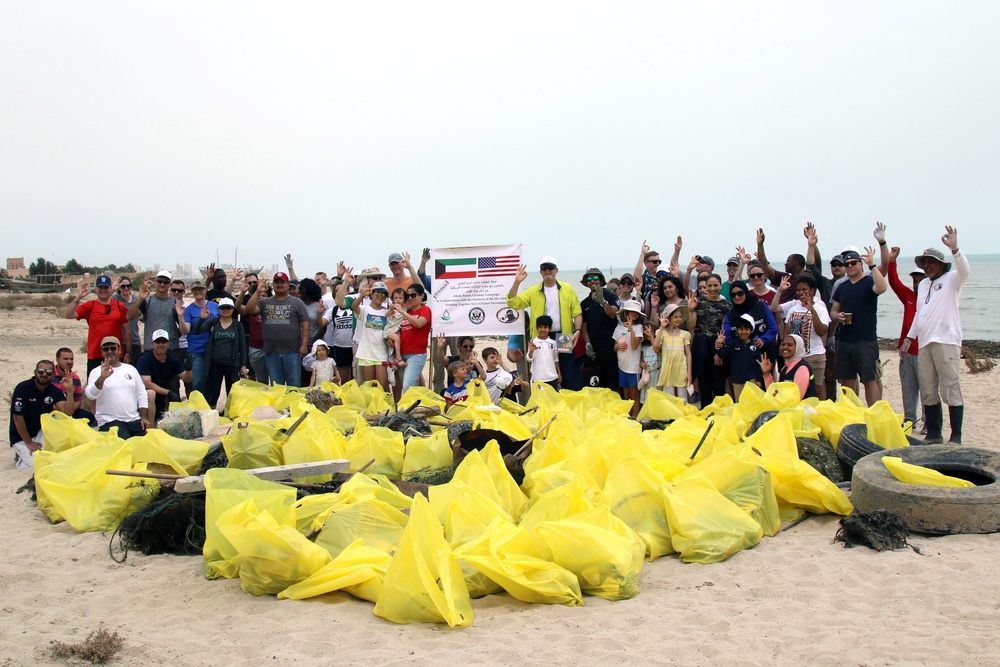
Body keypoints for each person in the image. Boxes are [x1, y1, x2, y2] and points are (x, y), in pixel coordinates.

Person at [903, 227, 969, 444]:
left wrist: (955, 248)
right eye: (924, 262)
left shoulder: (952, 279)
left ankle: (956, 436)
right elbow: (920, 314)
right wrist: (909, 338)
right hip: (924, 343)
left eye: (931, 262)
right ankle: (934, 434)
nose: (927, 266)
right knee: (929, 388)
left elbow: (965, 270)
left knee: (950, 386)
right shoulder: (922, 285)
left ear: (941, 264)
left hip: (946, 340)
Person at [506, 257, 583, 390]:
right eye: (544, 268)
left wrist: (577, 331)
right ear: (540, 272)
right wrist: (516, 282)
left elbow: (577, 313)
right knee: (542, 374)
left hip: (564, 336)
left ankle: (566, 405)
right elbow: (513, 302)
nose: (547, 271)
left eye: (550, 268)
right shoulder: (533, 291)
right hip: (541, 338)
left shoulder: (568, 289)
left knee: (567, 373)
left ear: (556, 270)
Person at [831, 245, 887, 405]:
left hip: (865, 340)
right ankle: (851, 414)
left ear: (860, 264)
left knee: (869, 380)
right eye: (846, 264)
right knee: (846, 382)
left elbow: (882, 288)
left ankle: (874, 414)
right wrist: (838, 316)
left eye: (853, 263)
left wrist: (873, 265)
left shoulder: (869, 281)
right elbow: (833, 312)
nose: (849, 266)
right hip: (844, 340)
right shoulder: (842, 286)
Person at [769, 273, 830, 398]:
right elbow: (787, 331)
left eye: (805, 290)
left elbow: (821, 331)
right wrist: (780, 290)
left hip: (814, 355)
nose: (801, 293)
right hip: (794, 356)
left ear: (812, 291)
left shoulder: (820, 309)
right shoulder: (793, 307)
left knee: (816, 388)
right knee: (794, 389)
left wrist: (812, 309)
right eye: (798, 290)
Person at [244, 271, 310, 386]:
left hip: (292, 351)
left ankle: (292, 404)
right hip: (271, 352)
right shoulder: (264, 302)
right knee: (276, 387)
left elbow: (305, 325)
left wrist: (304, 345)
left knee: (293, 385)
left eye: (282, 282)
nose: (279, 285)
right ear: (273, 285)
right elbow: (249, 309)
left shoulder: (297, 303)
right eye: (277, 282)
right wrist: (258, 291)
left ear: (288, 285)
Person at [887, 246, 925, 429]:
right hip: (907, 352)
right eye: (915, 281)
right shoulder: (909, 297)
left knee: (927, 388)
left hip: (925, 351)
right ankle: (910, 419)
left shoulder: (933, 298)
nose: (916, 284)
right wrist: (892, 261)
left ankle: (928, 421)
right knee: (908, 388)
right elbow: (894, 283)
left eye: (920, 280)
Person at [63, 275, 132, 376]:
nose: (103, 290)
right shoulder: (89, 306)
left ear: (110, 289)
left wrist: (128, 351)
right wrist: (79, 297)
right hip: (95, 354)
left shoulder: (119, 306)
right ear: (96, 289)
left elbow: (127, 330)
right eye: (100, 288)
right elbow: (68, 315)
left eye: (106, 288)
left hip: (115, 353)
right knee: (95, 386)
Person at [9, 359, 72, 467]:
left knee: (59, 419)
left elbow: (67, 412)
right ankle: (20, 456)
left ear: (52, 375)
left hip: (40, 432)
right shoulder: (23, 388)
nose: (44, 375)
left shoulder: (53, 390)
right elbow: (17, 418)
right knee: (35, 464)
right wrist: (29, 442)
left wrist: (70, 390)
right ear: (35, 372)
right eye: (41, 371)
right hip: (21, 436)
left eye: (48, 373)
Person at [85, 336, 151, 437]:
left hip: (133, 419)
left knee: (146, 445)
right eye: (106, 349)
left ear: (119, 350)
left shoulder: (130, 369)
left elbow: (141, 394)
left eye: (113, 348)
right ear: (102, 352)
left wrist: (144, 417)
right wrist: (101, 378)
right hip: (110, 421)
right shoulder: (96, 372)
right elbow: (91, 395)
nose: (109, 351)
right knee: (126, 444)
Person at [192, 298, 248, 408]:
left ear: (233, 309)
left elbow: (242, 346)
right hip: (215, 362)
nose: (225, 310)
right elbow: (197, 331)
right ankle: (212, 411)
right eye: (222, 307)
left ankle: (229, 413)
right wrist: (201, 319)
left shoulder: (237, 325)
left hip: (231, 363)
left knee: (231, 390)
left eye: (228, 307)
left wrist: (243, 365)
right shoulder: (213, 323)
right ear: (219, 309)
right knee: (214, 390)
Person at [687, 273, 731, 407]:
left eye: (715, 285)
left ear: (720, 286)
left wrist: (721, 352)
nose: (712, 288)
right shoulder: (698, 302)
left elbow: (726, 330)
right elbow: (691, 326)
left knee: (718, 381)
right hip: (701, 345)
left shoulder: (726, 306)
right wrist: (690, 310)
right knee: (703, 381)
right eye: (709, 286)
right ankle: (705, 410)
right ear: (705, 287)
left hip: (717, 345)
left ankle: (719, 412)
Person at [127, 270, 190, 361]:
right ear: (155, 282)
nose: (162, 284)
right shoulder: (147, 301)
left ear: (170, 284)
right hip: (151, 349)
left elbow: (184, 331)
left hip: (171, 350)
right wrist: (140, 299)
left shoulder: (175, 303)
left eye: (166, 282)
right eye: (160, 281)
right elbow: (130, 316)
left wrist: (180, 318)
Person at [579, 268, 622, 390]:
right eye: (589, 279)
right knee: (594, 383)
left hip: (610, 347)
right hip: (593, 349)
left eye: (596, 278)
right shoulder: (584, 303)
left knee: (613, 383)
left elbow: (613, 314)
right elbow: (584, 326)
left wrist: (603, 302)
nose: (593, 281)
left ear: (601, 280)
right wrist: (587, 343)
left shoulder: (611, 296)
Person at [136, 329, 187, 421]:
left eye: (163, 341)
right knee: (150, 393)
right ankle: (150, 428)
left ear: (168, 344)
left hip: (162, 399)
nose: (161, 344)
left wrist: (189, 370)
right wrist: (168, 392)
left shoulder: (172, 359)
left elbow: (186, 378)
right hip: (144, 399)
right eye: (157, 341)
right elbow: (147, 383)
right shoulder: (144, 359)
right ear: (153, 344)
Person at [350, 280, 391, 391]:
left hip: (381, 352)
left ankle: (383, 407)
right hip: (366, 353)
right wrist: (362, 295)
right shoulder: (365, 309)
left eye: (383, 294)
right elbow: (354, 307)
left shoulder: (387, 312)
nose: (380, 296)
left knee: (382, 384)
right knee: (370, 384)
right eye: (377, 293)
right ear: (372, 294)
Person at [182, 279, 219, 395]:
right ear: (192, 292)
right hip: (197, 351)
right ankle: (200, 408)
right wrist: (180, 317)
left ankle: (210, 406)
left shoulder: (214, 306)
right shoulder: (188, 310)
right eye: (195, 290)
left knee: (213, 381)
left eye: (201, 289)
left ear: (205, 290)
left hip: (215, 350)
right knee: (198, 383)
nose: (198, 292)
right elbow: (185, 330)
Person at [716, 314, 765, 398]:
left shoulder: (755, 345)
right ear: (737, 330)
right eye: (741, 329)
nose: (743, 332)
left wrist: (759, 379)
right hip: (737, 381)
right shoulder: (732, 344)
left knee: (752, 403)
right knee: (740, 404)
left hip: (751, 380)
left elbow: (759, 364)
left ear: (751, 330)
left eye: (747, 329)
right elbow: (722, 354)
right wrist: (720, 343)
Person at [395, 283, 431, 396]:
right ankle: (411, 409)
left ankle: (410, 410)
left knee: (407, 387)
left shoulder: (425, 310)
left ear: (421, 296)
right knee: (408, 388)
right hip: (402, 354)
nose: (410, 298)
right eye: (408, 295)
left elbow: (419, 324)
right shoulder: (408, 311)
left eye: (413, 295)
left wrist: (402, 312)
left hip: (416, 354)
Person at [654, 304, 692, 402]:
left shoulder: (685, 334)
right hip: (667, 369)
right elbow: (655, 346)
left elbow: (688, 354)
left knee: (682, 397)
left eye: (680, 317)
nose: (678, 319)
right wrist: (662, 327)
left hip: (681, 368)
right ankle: (670, 416)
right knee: (669, 396)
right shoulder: (661, 332)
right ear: (669, 318)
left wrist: (689, 373)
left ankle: (683, 415)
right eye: (675, 317)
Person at [755, 227, 805, 302]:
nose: (785, 264)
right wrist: (760, 244)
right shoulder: (785, 279)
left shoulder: (807, 279)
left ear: (796, 262)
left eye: (788, 261)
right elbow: (765, 265)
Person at [236, 272, 268, 384]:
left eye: (264, 295)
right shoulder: (250, 310)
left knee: (274, 378)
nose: (261, 297)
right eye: (259, 295)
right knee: (260, 378)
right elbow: (237, 306)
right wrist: (242, 292)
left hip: (272, 348)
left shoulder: (272, 307)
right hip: (255, 348)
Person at [613, 300, 644, 418]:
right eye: (631, 312)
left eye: (636, 313)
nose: (634, 314)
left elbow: (635, 345)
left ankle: (635, 417)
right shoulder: (618, 328)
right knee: (626, 394)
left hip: (633, 367)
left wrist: (631, 329)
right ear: (626, 313)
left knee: (634, 394)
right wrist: (617, 346)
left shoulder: (638, 328)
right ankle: (628, 415)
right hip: (622, 366)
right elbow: (614, 348)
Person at [760, 334, 816, 400]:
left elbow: (797, 397)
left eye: (789, 345)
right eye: (783, 344)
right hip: (785, 407)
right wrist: (767, 374)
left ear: (798, 347)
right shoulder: (784, 368)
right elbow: (774, 393)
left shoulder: (802, 368)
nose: (785, 347)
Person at [53, 347, 95, 424]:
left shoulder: (75, 378)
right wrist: (62, 410)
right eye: (65, 359)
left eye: (71, 359)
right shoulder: (50, 376)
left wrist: (69, 411)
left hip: (69, 410)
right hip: (52, 410)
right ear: (57, 360)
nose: (69, 362)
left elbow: (78, 402)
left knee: (89, 416)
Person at [527, 315, 561, 389]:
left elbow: (556, 359)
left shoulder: (553, 343)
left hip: (552, 377)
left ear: (550, 328)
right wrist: (531, 351)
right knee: (540, 400)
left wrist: (559, 374)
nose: (542, 330)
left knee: (552, 400)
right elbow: (529, 359)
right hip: (539, 379)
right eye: (540, 327)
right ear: (537, 328)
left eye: (545, 327)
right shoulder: (533, 342)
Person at [112, 276, 142, 358]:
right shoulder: (115, 299)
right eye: (123, 286)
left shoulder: (136, 300)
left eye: (128, 286)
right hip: (120, 341)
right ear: (119, 288)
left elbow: (141, 315)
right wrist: (113, 289)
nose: (126, 288)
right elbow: (103, 300)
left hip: (135, 339)